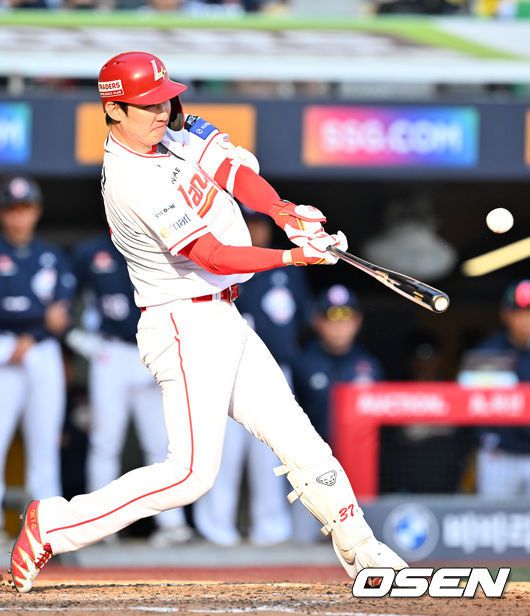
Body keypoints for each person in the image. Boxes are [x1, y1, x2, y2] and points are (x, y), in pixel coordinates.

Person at [8, 51, 406, 593]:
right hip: (181, 323)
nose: (163, 110)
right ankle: (55, 524)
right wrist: (294, 257)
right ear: (115, 110)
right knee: (190, 474)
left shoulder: (172, 126)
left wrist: (285, 213)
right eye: (148, 104)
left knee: (299, 438)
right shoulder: (129, 179)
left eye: (165, 98)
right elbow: (212, 255)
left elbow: (231, 171)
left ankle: (365, 552)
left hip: (222, 316)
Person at [193, 211, 310, 546]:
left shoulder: (286, 268)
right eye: (248, 223)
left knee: (270, 454)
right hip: (225, 371)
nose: (255, 230)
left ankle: (270, 527)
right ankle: (216, 527)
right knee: (223, 452)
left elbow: (303, 320)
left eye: (259, 224)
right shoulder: (219, 264)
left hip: (273, 370)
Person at [68, 234, 193, 545]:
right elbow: (62, 299)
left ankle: (171, 524)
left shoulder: (159, 245)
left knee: (161, 443)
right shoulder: (92, 251)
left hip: (151, 347)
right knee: (105, 442)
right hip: (111, 352)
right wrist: (80, 340)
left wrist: (172, 346)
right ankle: (98, 526)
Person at [0, 175, 74, 544]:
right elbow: (41, 313)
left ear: (37, 211)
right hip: (3, 349)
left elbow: (60, 316)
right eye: (12, 209)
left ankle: (46, 535)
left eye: (25, 209)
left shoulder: (52, 255)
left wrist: (32, 330)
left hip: (40, 349)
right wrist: (36, 318)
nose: (19, 217)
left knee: (44, 447)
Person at [291, 285, 384, 541]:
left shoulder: (369, 365)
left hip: (358, 474)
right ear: (317, 321)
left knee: (359, 543)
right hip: (310, 470)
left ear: (358, 321)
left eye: (346, 318)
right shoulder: (301, 363)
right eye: (331, 318)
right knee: (302, 544)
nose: (339, 326)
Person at [463, 280, 530, 497]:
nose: (526, 319)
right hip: (500, 455)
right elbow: (467, 404)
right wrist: (485, 439)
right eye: (519, 312)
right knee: (494, 515)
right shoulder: (489, 352)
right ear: (506, 315)